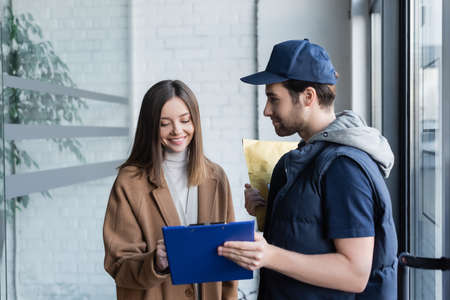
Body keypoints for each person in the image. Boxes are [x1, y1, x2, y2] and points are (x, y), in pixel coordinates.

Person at [218, 39, 398, 299]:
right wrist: (267, 210)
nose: (267, 110)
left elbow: (355, 273)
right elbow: (314, 231)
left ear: (308, 96)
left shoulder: (344, 167)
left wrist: (269, 255)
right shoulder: (307, 157)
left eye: (273, 98)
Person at [103, 80, 237, 300]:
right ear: (151, 126)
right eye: (164, 123)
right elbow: (117, 264)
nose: (177, 130)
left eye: (185, 120)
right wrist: (155, 262)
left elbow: (230, 260)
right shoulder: (130, 182)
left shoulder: (217, 177)